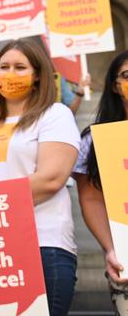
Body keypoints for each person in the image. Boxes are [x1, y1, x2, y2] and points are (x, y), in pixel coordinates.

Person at [0, 38, 80, 316]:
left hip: (40, 246)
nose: (10, 74)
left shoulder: (54, 115)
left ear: (37, 76)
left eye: (20, 67)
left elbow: (51, 179)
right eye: (4, 67)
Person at [72, 50, 128, 314]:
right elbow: (91, 198)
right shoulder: (94, 140)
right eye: (127, 75)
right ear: (115, 86)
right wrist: (111, 249)